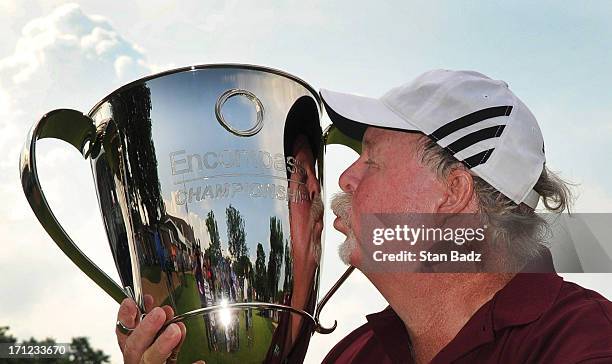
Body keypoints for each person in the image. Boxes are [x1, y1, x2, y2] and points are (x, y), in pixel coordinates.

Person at [115, 70, 612, 363]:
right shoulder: (358, 353)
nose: (346, 180)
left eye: (371, 159)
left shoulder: (582, 342)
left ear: (452, 191)